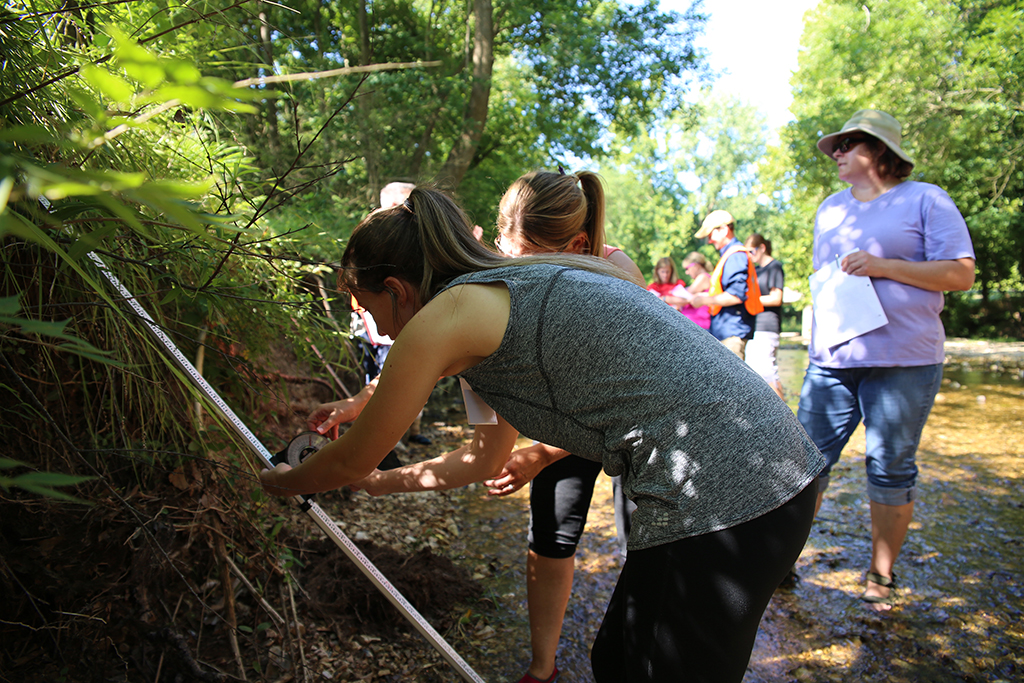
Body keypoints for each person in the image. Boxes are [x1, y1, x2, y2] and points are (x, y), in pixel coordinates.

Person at [259, 186, 824, 682]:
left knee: (648, 670)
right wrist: (380, 484)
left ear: (397, 289)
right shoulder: (492, 301)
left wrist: (286, 481)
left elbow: (348, 460)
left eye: (366, 307)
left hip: (728, 493)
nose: (372, 326)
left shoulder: (449, 316)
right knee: (618, 662)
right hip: (766, 474)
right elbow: (484, 458)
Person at [798, 109, 975, 611]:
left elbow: (961, 275)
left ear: (878, 151)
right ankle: (780, 559)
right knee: (803, 463)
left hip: (905, 360)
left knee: (889, 467)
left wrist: (882, 266)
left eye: (847, 143)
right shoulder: (830, 209)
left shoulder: (926, 199)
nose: (836, 152)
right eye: (836, 145)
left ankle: (881, 573)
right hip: (832, 359)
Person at [492, 170, 643, 683]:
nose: (517, 271)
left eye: (526, 258)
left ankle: (637, 655)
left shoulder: (619, 276)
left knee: (645, 544)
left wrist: (539, 451)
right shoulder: (517, 263)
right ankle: (542, 667)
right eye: (505, 252)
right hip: (563, 419)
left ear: (577, 244)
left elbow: (626, 402)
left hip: (632, 430)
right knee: (550, 536)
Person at [689, 210, 763, 359]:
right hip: (726, 331)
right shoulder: (730, 254)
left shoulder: (735, 256)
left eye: (711, 234)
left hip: (732, 333)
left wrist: (703, 300)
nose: (710, 240)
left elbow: (736, 295)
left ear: (724, 229)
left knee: (734, 382)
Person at [744, 234, 786, 399]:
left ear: (762, 248)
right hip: (755, 326)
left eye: (751, 251)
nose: (750, 256)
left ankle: (785, 419)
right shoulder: (756, 270)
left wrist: (751, 301)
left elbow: (776, 298)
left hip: (768, 326)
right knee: (755, 373)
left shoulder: (774, 267)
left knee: (768, 372)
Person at [679, 251, 713, 330]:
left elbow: (684, 297)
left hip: (699, 325)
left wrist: (664, 298)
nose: (687, 272)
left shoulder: (703, 277)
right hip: (695, 326)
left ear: (696, 266)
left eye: (687, 268)